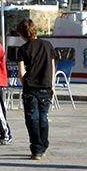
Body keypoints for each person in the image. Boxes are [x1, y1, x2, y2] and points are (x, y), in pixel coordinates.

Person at [16, 18, 55, 160]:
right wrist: (52, 85)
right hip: (45, 85)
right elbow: (52, 66)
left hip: (30, 87)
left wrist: (23, 83)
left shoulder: (23, 49)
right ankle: (43, 145)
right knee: (43, 117)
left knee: (32, 118)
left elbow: (21, 72)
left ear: (22, 34)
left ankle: (36, 149)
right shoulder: (48, 45)